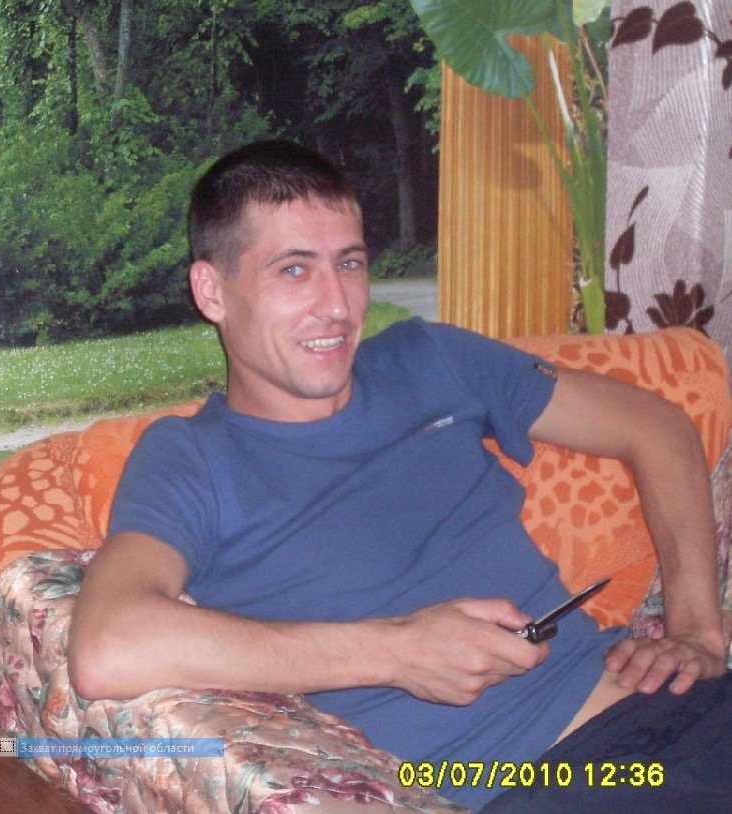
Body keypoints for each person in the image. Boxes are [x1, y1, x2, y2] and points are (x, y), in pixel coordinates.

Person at [68, 140, 730, 812]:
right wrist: (396, 652)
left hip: (678, 709)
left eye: (349, 264)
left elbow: (657, 425)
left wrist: (698, 630)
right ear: (212, 291)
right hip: (549, 784)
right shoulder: (191, 457)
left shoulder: (431, 359)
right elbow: (107, 646)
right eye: (293, 270)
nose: (336, 305)